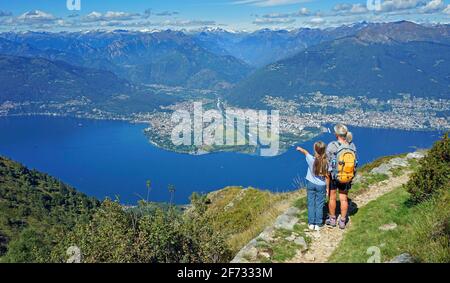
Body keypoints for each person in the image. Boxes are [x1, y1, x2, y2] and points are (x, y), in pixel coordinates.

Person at [326, 123, 357, 229]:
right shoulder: (351, 146)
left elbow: (327, 162)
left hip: (334, 176)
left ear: (336, 134)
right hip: (347, 176)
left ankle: (332, 219)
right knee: (344, 198)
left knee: (332, 198)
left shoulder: (332, 146)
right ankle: (343, 221)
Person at [296, 141, 329, 231]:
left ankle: (311, 223)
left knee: (311, 204)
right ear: (324, 150)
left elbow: (305, 152)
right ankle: (318, 224)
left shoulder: (311, 159)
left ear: (315, 149)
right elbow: (327, 176)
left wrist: (300, 149)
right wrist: (327, 188)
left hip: (311, 183)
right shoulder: (326, 162)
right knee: (319, 205)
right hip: (321, 185)